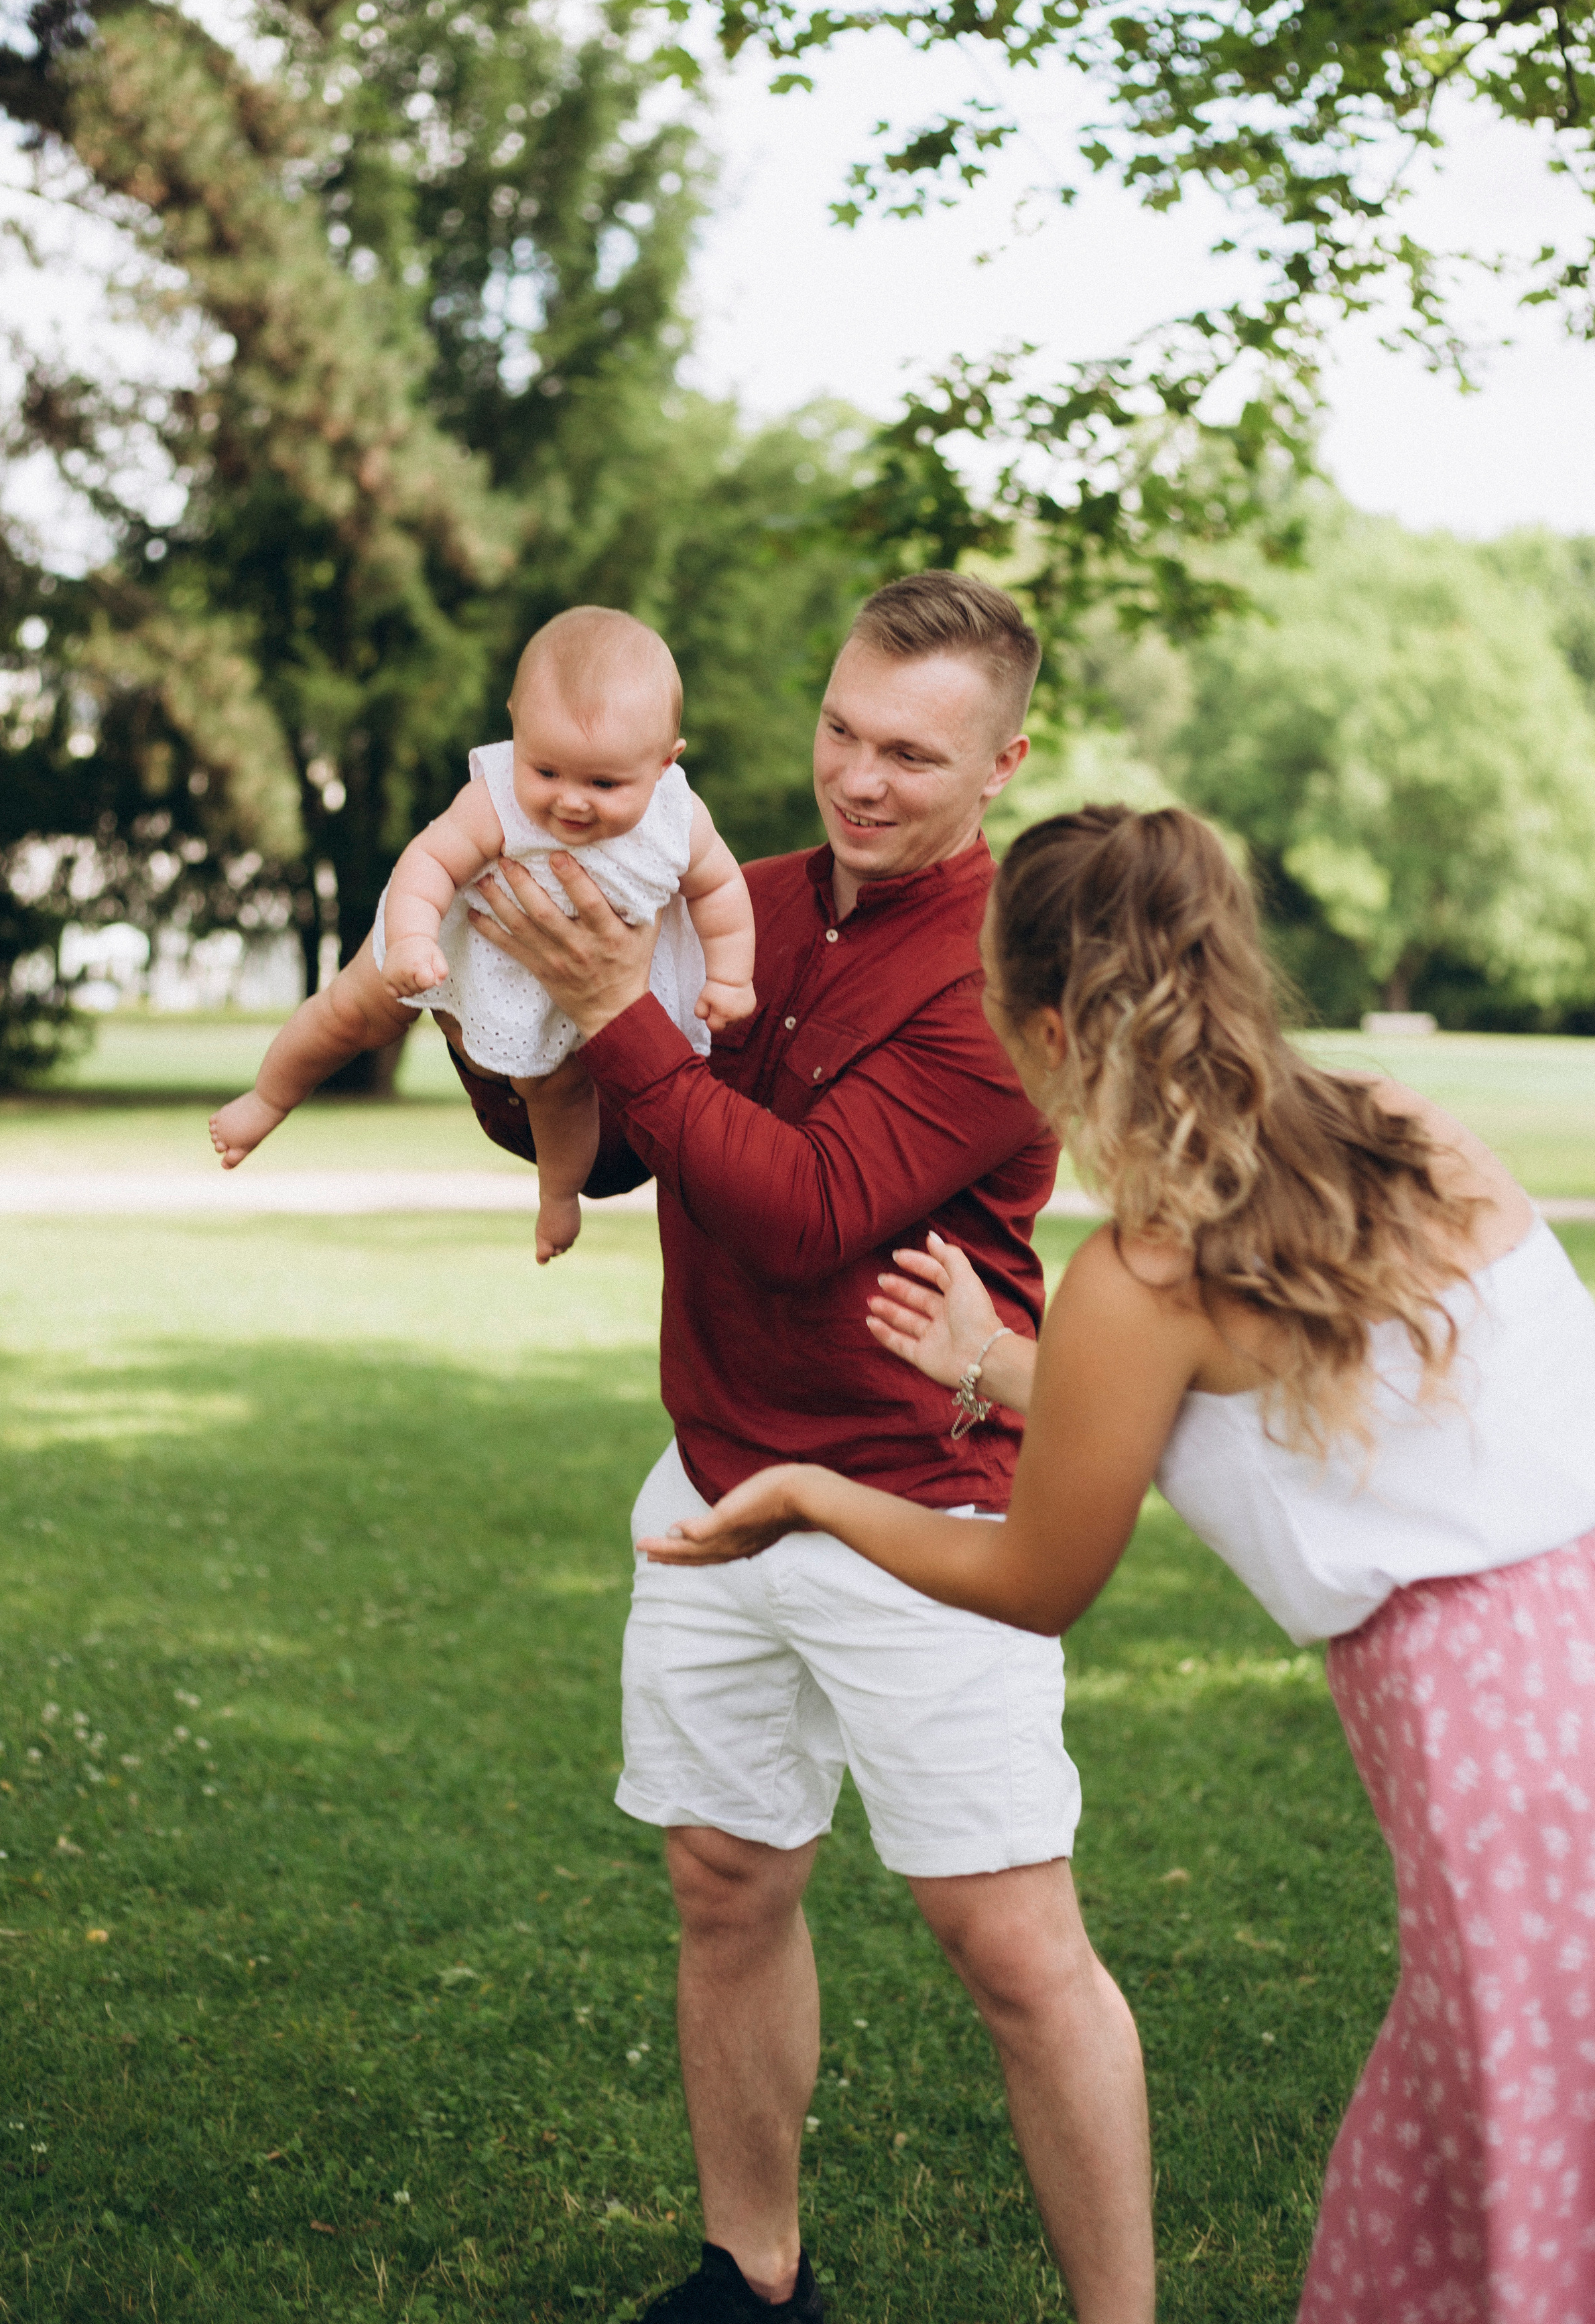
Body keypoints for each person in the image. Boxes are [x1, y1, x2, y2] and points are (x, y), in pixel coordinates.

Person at [641, 801, 1595, 2324]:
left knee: (1528, 2165)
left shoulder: (1142, 1268)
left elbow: (1033, 1577)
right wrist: (997, 1362)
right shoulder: (1395, 1129)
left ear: (1036, 1025)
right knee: (1449, 2160)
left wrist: (814, 1495)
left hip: (1509, 1767)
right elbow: (1293, 1409)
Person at [450, 577, 1154, 2324]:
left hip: (928, 1508)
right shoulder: (735, 905)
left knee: (1012, 1949)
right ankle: (751, 2279)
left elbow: (808, 1214)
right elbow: (616, 1151)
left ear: (1006, 761)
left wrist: (616, 1001)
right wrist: (500, 994)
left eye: (911, 752)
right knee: (725, 1880)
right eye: (842, 727)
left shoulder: (1019, 983)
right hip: (714, 1486)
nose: (857, 776)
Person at [208, 607, 755, 1262]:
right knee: (349, 1011)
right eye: (546, 771)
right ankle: (269, 1098)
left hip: (564, 994)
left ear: (665, 764)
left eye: (604, 783)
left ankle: (557, 1197)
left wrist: (729, 977)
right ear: (516, 731)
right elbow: (431, 860)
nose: (570, 802)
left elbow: (720, 892)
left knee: (557, 1093)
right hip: (452, 937)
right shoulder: (495, 796)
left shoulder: (679, 820)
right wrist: (411, 940)